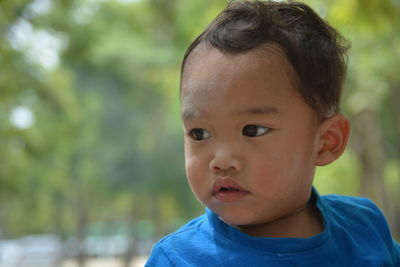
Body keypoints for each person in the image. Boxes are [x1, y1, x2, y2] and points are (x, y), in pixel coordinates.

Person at [145, 1, 400, 266]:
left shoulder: (364, 229)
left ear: (326, 142)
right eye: (199, 134)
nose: (221, 160)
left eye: (252, 130)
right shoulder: (179, 259)